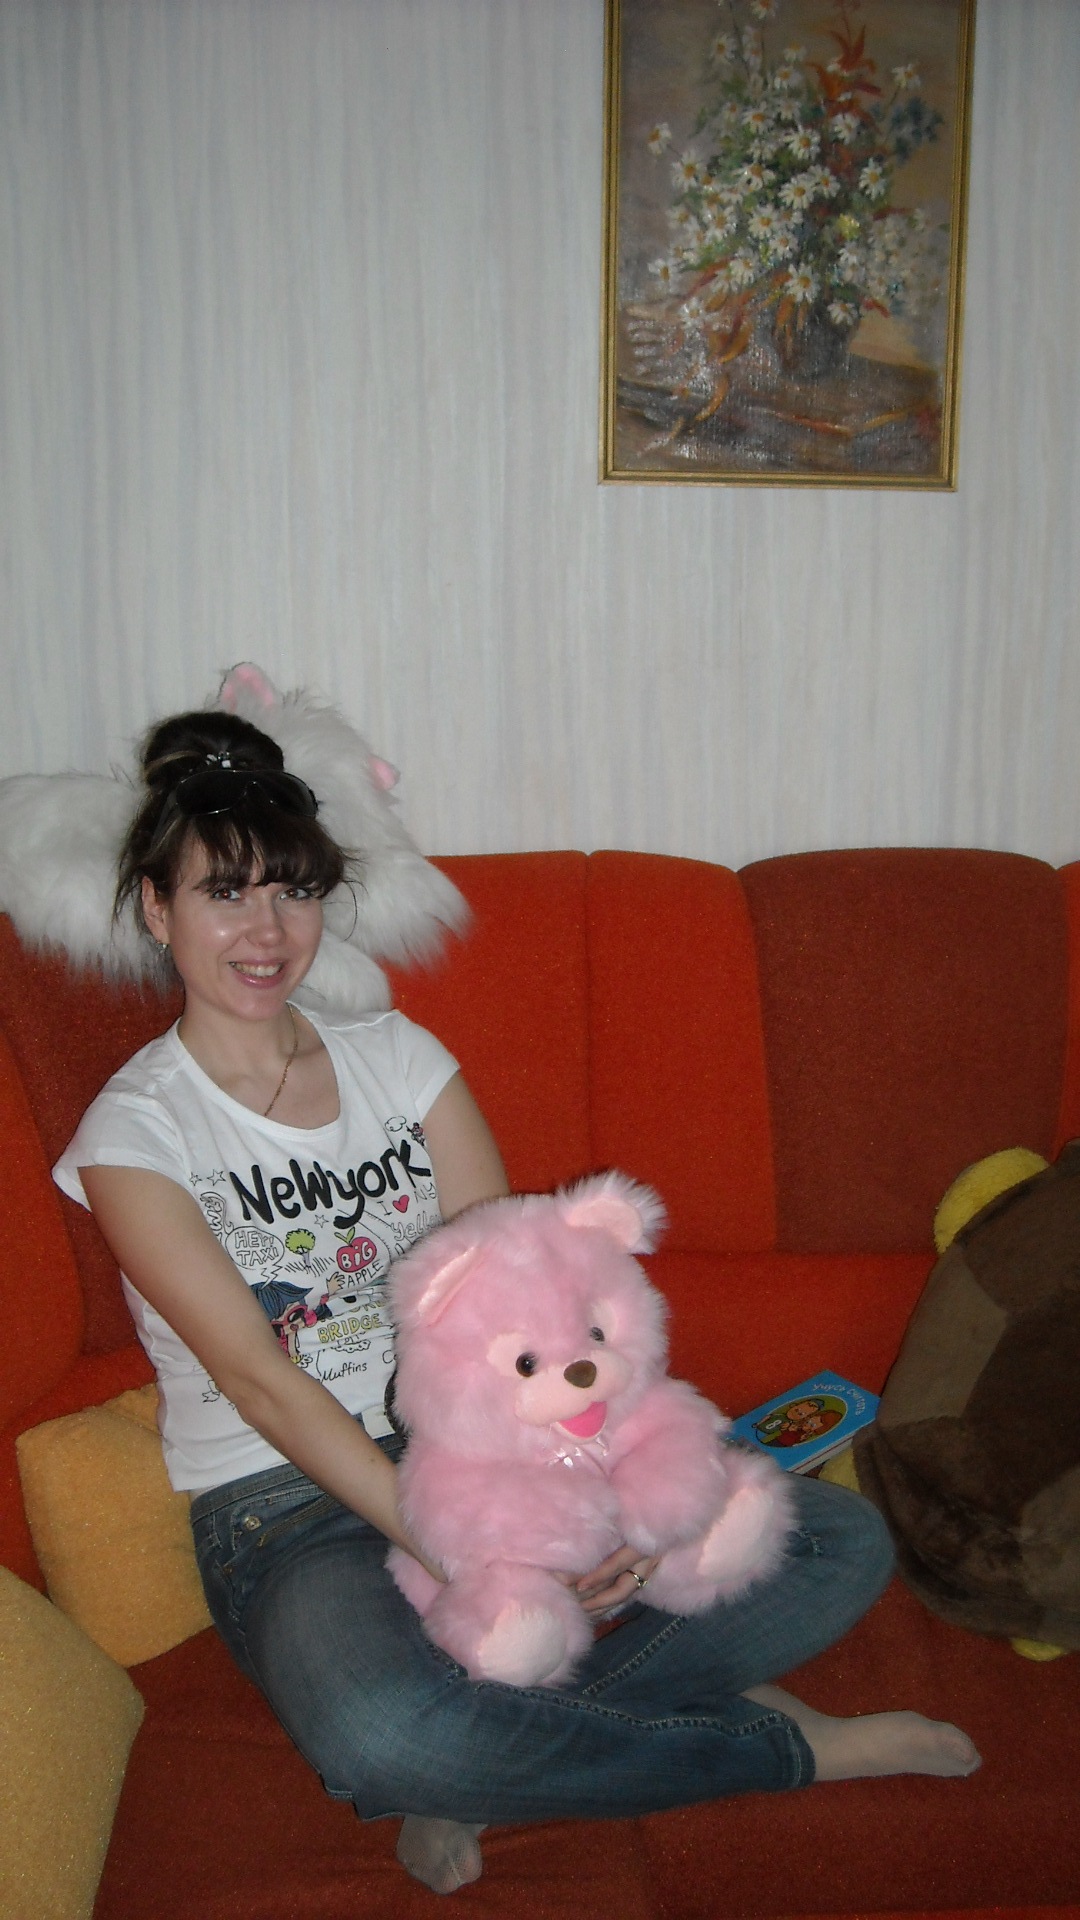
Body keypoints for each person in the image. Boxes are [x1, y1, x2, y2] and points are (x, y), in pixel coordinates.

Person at [53, 708, 980, 1898]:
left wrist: (595, 1480)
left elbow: (526, 1294)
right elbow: (258, 1380)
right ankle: (777, 1748)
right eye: (223, 894)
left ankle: (492, 1757)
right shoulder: (135, 1134)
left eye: (293, 891)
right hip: (283, 1505)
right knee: (380, 1736)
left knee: (838, 1542)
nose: (266, 931)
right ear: (154, 907)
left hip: (486, 1445)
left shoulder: (399, 1058)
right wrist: (450, 1542)